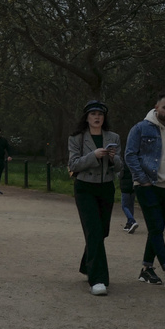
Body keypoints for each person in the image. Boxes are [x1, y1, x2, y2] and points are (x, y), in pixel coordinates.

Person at [124, 92, 165, 289]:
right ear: (156, 107)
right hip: (148, 186)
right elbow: (130, 155)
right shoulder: (140, 128)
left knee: (157, 228)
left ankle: (146, 269)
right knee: (155, 227)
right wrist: (142, 180)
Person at [68, 101, 123, 296]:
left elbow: (119, 166)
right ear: (87, 117)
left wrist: (112, 158)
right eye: (93, 114)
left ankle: (87, 264)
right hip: (85, 188)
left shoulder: (113, 137)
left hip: (106, 188)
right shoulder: (77, 138)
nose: (97, 117)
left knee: (102, 231)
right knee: (93, 231)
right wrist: (94, 155)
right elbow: (73, 165)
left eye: (100, 114)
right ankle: (98, 279)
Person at [119, 166, 138, 233]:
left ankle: (132, 220)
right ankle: (129, 224)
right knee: (131, 205)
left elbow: (120, 175)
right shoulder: (133, 164)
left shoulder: (123, 165)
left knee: (124, 206)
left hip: (125, 187)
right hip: (133, 186)